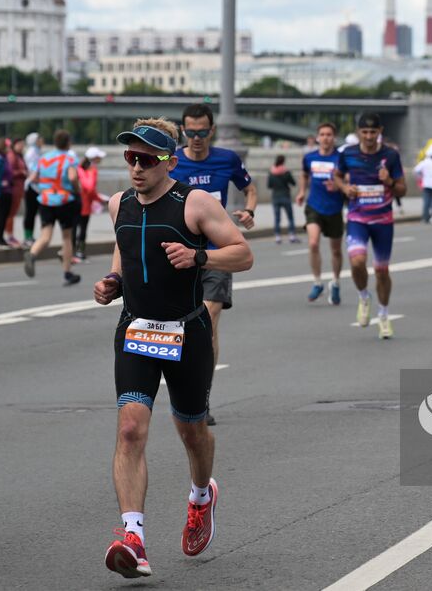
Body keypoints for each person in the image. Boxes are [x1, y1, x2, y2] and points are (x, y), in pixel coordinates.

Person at [96, 118, 253, 578]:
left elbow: (243, 254)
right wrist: (113, 283)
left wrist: (199, 256)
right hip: (136, 331)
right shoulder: (117, 204)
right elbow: (125, 254)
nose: (137, 168)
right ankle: (133, 539)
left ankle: (202, 496)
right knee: (130, 429)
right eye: (130, 158)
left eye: (146, 159)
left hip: (186, 333)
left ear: (170, 161)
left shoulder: (195, 204)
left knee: (192, 431)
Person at [170, 103, 256, 424]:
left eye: (202, 132)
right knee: (178, 325)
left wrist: (250, 210)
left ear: (212, 130)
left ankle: (201, 398)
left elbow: (250, 189)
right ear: (183, 131)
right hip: (178, 254)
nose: (196, 138)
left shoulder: (227, 160)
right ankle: (182, 386)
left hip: (217, 252)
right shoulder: (172, 162)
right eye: (190, 132)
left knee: (207, 321)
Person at [332, 112, 407, 339]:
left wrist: (389, 181)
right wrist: (345, 189)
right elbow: (337, 176)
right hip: (357, 218)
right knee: (357, 262)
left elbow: (403, 189)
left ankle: (383, 314)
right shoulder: (348, 153)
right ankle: (364, 296)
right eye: (364, 132)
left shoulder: (391, 156)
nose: (368, 136)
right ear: (358, 133)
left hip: (383, 220)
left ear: (380, 132)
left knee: (382, 271)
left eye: (373, 132)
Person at [23, 128, 81, 285]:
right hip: (64, 200)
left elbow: (33, 177)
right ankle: (67, 273)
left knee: (45, 236)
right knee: (67, 237)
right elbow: (72, 176)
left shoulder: (44, 158)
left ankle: (33, 254)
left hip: (45, 200)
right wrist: (76, 189)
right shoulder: (69, 159)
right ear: (68, 143)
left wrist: (46, 187)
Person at [298, 122, 345, 305]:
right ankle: (317, 282)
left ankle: (335, 281)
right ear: (318, 138)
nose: (325, 138)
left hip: (334, 208)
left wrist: (337, 186)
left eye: (329, 134)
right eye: (322, 134)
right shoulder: (309, 157)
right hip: (314, 206)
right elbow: (304, 174)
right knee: (313, 242)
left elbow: (347, 179)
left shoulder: (340, 158)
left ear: (334, 138)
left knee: (335, 250)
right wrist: (302, 191)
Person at [76, 147, 109, 261]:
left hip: (74, 202)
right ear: (94, 158)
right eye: (99, 157)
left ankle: (73, 251)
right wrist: (100, 198)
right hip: (84, 204)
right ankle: (80, 251)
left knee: (75, 227)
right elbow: (90, 189)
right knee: (83, 229)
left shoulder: (78, 168)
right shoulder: (92, 170)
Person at [267, 154, 299, 244]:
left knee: (277, 218)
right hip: (285, 196)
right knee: (290, 217)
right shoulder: (286, 172)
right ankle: (292, 236)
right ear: (283, 161)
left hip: (275, 197)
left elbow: (269, 185)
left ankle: (277, 236)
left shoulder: (271, 172)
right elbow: (293, 183)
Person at [4, 137, 29, 248]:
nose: (22, 146)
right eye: (20, 144)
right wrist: (22, 172)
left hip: (18, 188)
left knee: (12, 213)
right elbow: (10, 172)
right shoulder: (12, 156)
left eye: (23, 144)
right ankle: (9, 235)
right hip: (14, 188)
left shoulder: (18, 156)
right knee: (10, 213)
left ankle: (10, 235)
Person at [21, 131, 42, 243]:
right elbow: (31, 172)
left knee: (33, 213)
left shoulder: (37, 152)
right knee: (30, 213)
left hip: (37, 186)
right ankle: (27, 236)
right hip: (32, 186)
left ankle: (30, 236)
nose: (42, 141)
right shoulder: (32, 153)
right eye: (39, 139)